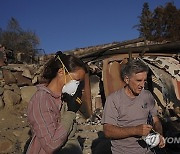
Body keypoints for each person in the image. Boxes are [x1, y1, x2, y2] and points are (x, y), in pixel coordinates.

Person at [26, 51, 88, 154]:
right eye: (76, 80)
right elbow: (51, 145)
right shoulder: (42, 100)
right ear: (61, 72)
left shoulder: (63, 98)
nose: (78, 85)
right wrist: (70, 112)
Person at [101, 59, 166, 154]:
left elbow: (156, 120)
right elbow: (108, 131)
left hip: (148, 151)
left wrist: (159, 135)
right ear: (127, 79)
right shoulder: (114, 99)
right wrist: (135, 130)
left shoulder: (147, 95)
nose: (142, 85)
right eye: (138, 80)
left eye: (144, 80)